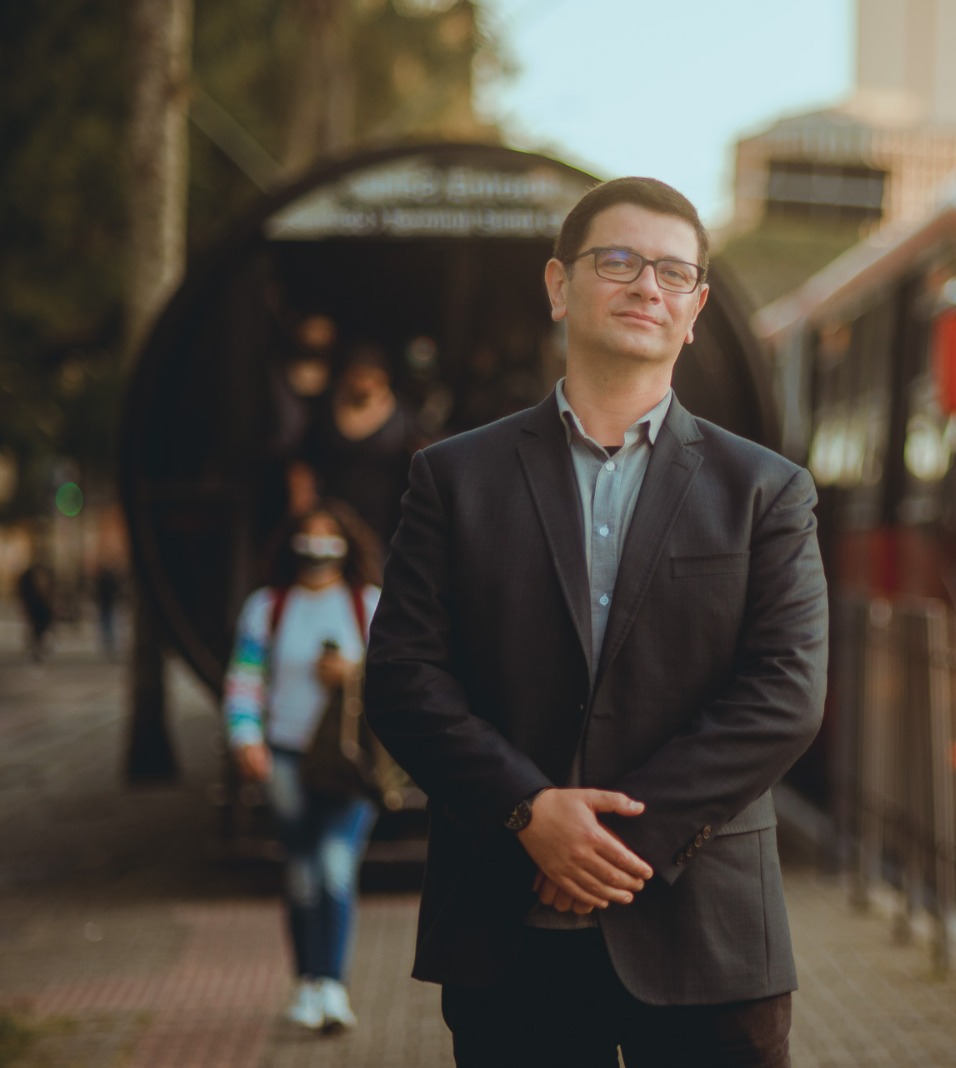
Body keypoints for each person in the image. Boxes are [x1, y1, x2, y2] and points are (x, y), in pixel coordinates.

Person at [364, 177, 829, 1067]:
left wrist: (617, 841)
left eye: (672, 272)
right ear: (558, 285)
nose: (646, 285)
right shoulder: (453, 479)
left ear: (694, 311)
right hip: (508, 932)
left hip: (708, 940)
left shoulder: (767, 491)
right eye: (617, 261)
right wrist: (527, 810)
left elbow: (786, 694)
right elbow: (403, 678)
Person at [223, 500, 384, 1035]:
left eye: (327, 536)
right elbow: (245, 677)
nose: (317, 547)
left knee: (335, 865)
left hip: (349, 762)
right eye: (307, 536)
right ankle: (307, 983)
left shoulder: (368, 605)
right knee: (301, 874)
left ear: (347, 543)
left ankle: (333, 984)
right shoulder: (267, 608)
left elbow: (403, 680)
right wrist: (245, 737)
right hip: (286, 756)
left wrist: (353, 672)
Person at [289, 341, 425, 549]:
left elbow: (421, 466)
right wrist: (302, 502)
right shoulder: (326, 411)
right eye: (358, 375)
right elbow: (303, 461)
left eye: (370, 377)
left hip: (383, 523)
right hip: (331, 517)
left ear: (383, 378)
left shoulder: (403, 420)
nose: (363, 383)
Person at [16, 559, 54, 662]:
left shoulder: (46, 577)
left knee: (41, 631)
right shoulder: (27, 579)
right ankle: (35, 649)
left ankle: (38, 648)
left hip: (42, 610)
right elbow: (23, 595)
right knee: (35, 631)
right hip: (34, 609)